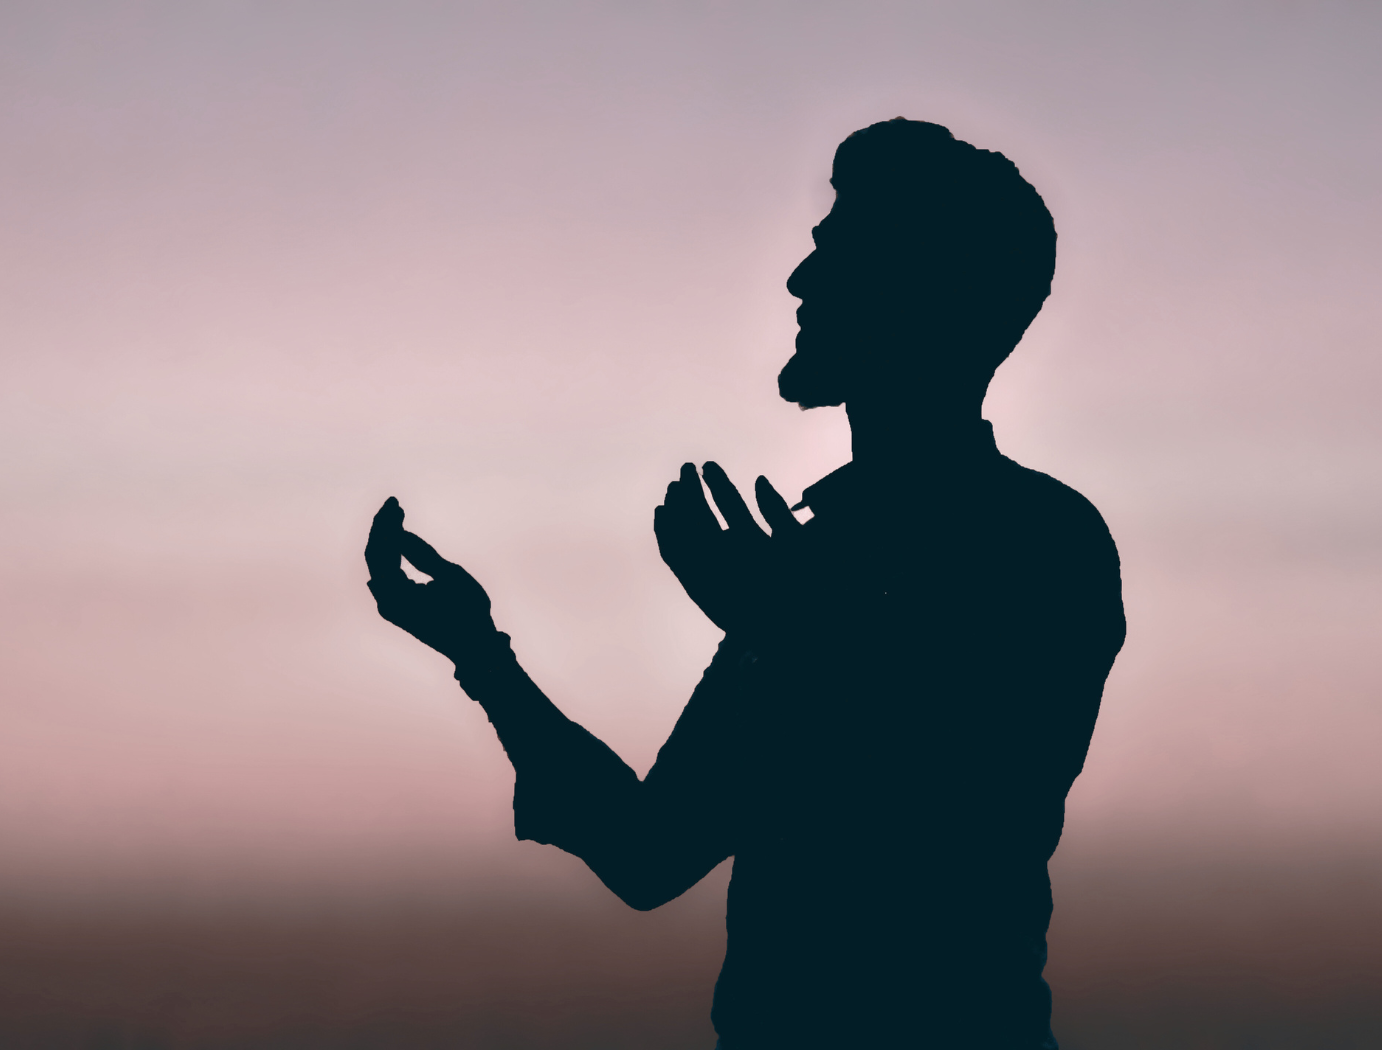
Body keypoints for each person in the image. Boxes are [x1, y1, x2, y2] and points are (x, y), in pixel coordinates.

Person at [365, 118, 1126, 1049]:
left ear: (923, 296)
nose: (803, 283)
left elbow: (943, 824)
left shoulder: (1041, 545)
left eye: (838, 254)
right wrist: (481, 654)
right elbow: (649, 850)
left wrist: (781, 627)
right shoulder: (817, 560)